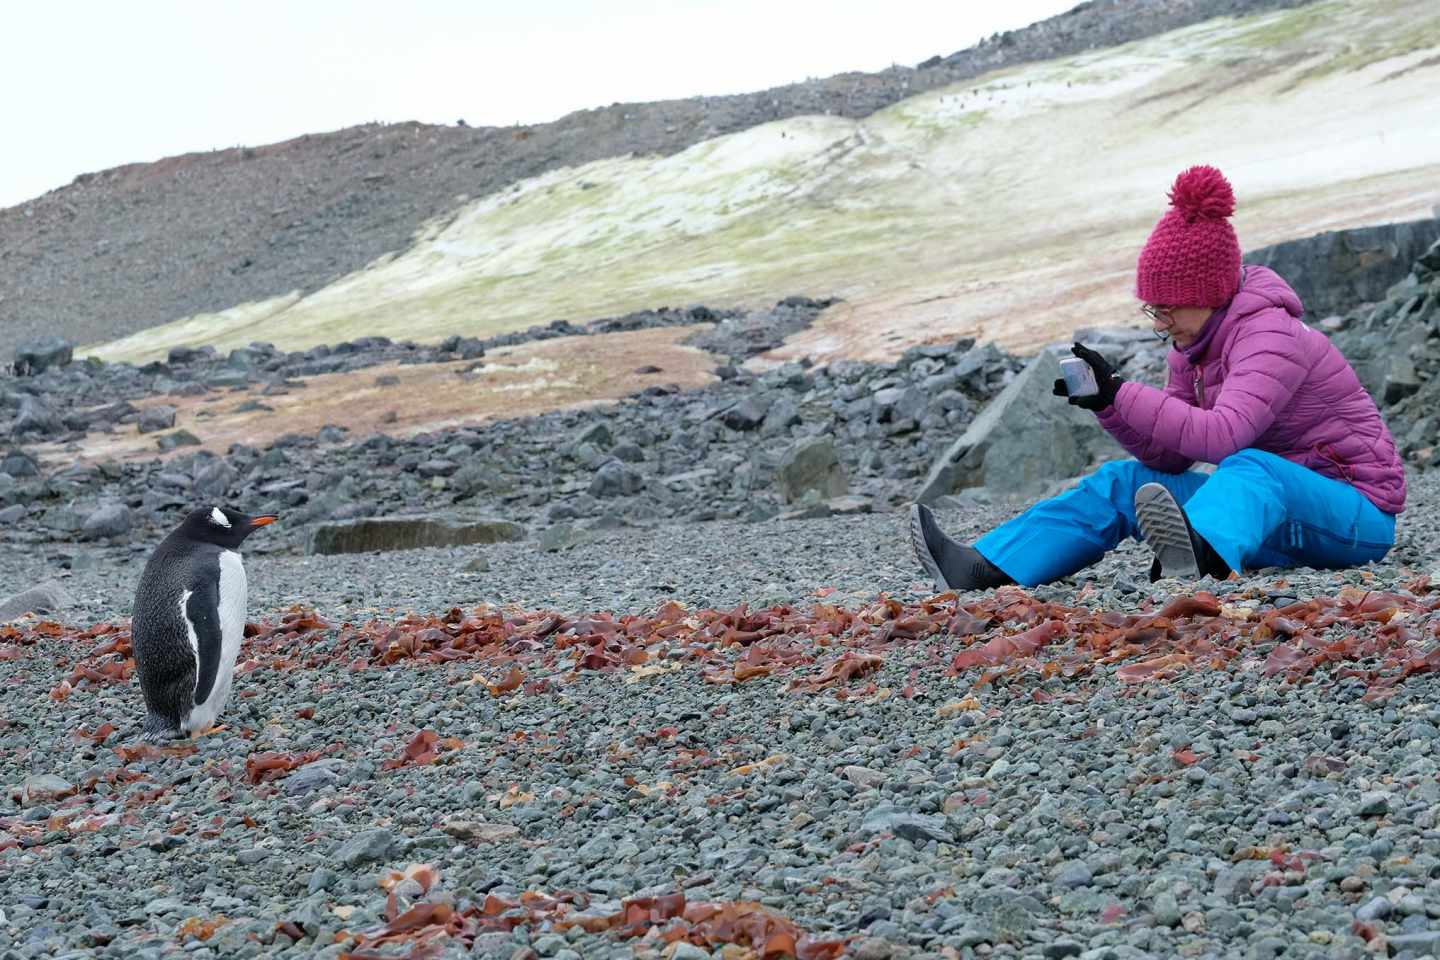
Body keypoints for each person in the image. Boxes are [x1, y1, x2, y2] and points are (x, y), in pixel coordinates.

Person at [909, 165, 1406, 591]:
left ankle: (1197, 557)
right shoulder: (1193, 347)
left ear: (1208, 294)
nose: (1157, 322)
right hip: (1264, 514)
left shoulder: (1270, 334)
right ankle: (985, 567)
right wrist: (1108, 405)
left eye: (1166, 308)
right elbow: (1170, 456)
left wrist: (1125, 393)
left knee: (1253, 466)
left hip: (1354, 516)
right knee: (1124, 481)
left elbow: (1223, 437)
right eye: (1153, 308)